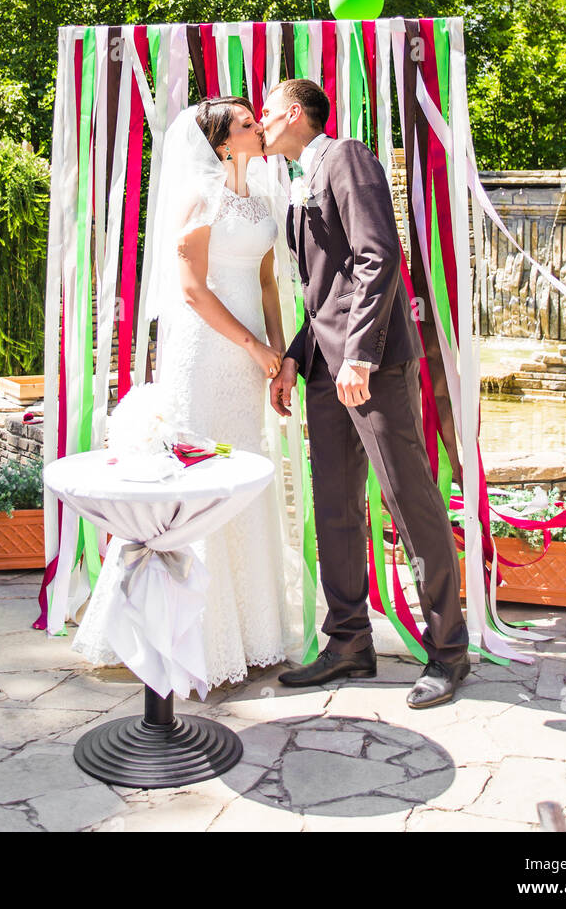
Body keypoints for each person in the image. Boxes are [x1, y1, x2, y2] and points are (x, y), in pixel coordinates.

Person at [259, 78, 470, 709]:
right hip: (325, 370)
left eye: (266, 113)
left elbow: (379, 258)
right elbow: (323, 293)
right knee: (335, 509)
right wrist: (297, 358)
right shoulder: (299, 178)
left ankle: (449, 652)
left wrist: (359, 357)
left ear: (294, 113)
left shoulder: (346, 156)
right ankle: (349, 643)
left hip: (368, 366)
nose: (261, 121)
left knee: (410, 500)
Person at [74, 96, 297, 689]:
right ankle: (171, 635)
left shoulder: (263, 197)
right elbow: (193, 290)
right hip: (206, 353)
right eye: (248, 125)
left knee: (241, 479)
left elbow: (269, 282)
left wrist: (281, 358)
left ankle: (250, 632)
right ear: (223, 143)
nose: (259, 128)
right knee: (197, 483)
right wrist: (253, 346)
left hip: (253, 357)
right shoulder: (201, 198)